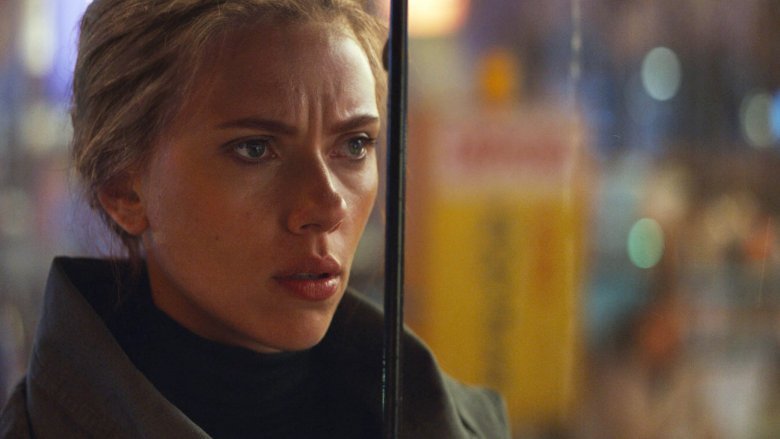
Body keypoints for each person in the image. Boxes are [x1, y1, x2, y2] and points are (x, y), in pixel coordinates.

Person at [0, 0, 509, 437]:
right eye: (255, 149)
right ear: (123, 190)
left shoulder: (467, 425)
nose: (327, 206)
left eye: (355, 145)